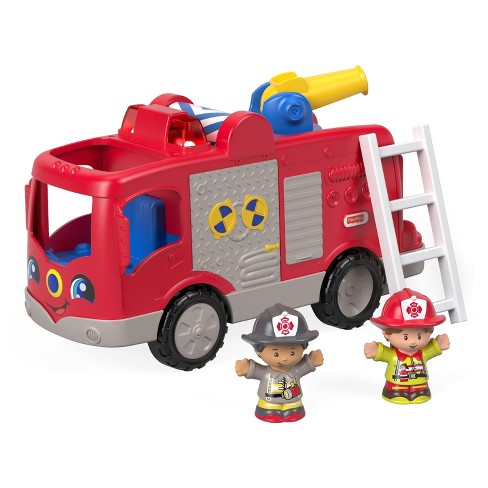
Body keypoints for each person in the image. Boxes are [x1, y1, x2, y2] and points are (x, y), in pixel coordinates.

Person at [235, 303, 323, 422]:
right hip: (268, 402)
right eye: (276, 354)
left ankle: (293, 410)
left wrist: (311, 361)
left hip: (294, 401)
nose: (285, 358)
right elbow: (255, 370)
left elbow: (305, 366)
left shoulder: (296, 370)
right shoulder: (266, 372)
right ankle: (269, 411)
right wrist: (247, 368)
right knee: (269, 409)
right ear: (258, 350)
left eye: (292, 352)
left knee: (294, 409)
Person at [364, 288, 450, 404]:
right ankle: (397, 393)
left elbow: (432, 349)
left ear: (430, 331)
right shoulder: (393, 355)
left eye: (419, 336)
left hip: (421, 385)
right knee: (396, 392)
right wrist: (376, 350)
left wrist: (438, 345)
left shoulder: (422, 353)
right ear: (386, 333)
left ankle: (419, 393)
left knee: (420, 392)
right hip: (395, 386)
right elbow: (384, 353)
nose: (413, 341)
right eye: (405, 337)